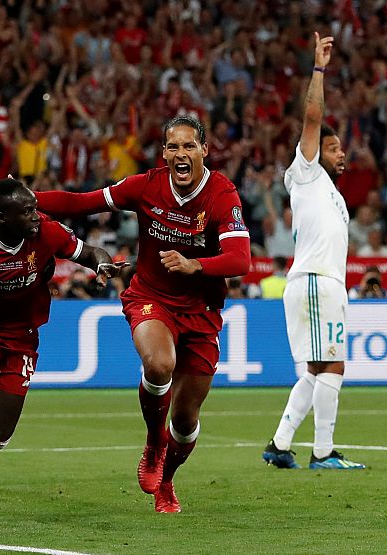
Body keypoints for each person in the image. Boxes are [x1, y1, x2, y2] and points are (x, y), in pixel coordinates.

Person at [34, 115, 251, 513]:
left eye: (189, 146)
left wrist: (195, 266)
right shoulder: (146, 185)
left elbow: (240, 259)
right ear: (164, 153)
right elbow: (82, 203)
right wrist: (29, 198)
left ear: (205, 150)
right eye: (173, 147)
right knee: (158, 363)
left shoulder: (222, 194)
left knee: (185, 421)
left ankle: (167, 481)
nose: (180, 154)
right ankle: (154, 442)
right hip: (152, 296)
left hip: (201, 311)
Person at [0, 178, 126, 526]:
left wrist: (101, 263)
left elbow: (88, 251)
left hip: (20, 335)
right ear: (3, 217)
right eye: (28, 211)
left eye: (35, 208)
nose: (37, 216)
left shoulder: (45, 230)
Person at [261, 33, 365, 471]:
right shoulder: (305, 173)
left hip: (319, 285)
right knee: (333, 365)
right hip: (317, 283)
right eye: (333, 146)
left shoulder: (334, 196)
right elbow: (313, 114)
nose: (341, 154)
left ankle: (280, 445)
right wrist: (319, 68)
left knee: (316, 368)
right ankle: (322, 452)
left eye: (342, 148)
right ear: (315, 151)